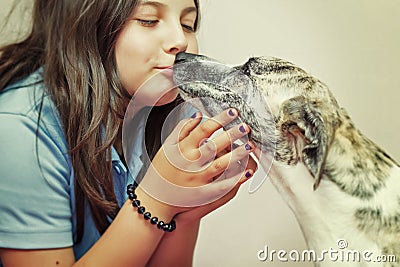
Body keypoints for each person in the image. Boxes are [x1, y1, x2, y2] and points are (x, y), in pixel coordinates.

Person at [0, 0, 257, 266]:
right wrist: (157, 200)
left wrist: (185, 214)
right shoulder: (21, 130)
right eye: (148, 20)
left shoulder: (177, 117)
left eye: (187, 24)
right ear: (85, 26)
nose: (180, 40)